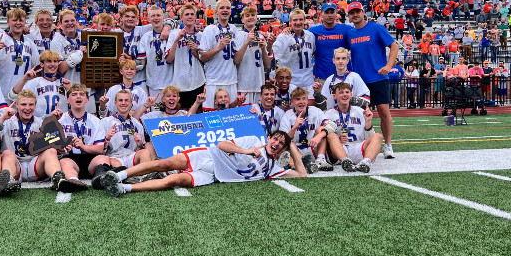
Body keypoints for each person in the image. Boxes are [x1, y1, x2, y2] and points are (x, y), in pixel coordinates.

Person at [99, 130, 306, 197]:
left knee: (175, 180)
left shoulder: (272, 169)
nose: (276, 143)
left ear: (282, 150)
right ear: (269, 138)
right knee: (165, 164)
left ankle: (124, 188)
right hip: (208, 156)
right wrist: (246, 151)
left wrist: (293, 146)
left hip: (213, 176)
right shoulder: (253, 141)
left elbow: (301, 175)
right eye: (275, 139)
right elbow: (223, 144)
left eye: (281, 144)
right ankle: (118, 175)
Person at [346, 2, 397, 158]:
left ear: (363, 12)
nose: (355, 15)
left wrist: (389, 65)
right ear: (349, 16)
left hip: (378, 78)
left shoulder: (376, 28)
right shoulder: (350, 33)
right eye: (352, 12)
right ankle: (363, 144)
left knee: (384, 112)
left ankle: (388, 145)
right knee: (360, 114)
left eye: (357, 11)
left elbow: (394, 46)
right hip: (359, 81)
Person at [0, 90, 67, 190]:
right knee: (7, 153)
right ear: (16, 105)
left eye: (31, 105)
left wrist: (60, 149)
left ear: (35, 106)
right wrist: (1, 119)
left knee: (51, 151)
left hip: (34, 164)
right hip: (14, 165)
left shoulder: (41, 123)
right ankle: (8, 181)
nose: (27, 108)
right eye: (23, 104)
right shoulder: (7, 121)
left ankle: (58, 180)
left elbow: (55, 148)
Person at [57, 84, 110, 191]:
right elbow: (53, 147)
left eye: (82, 94)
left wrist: (83, 147)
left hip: (90, 158)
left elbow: (99, 149)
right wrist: (62, 147)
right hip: (70, 158)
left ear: (87, 99)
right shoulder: (61, 119)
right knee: (64, 162)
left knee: (104, 158)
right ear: (68, 100)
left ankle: (100, 178)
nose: (78, 97)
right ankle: (73, 180)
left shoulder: (95, 121)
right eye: (74, 94)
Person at [325, 82, 383, 173]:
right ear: (334, 96)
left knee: (378, 136)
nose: (344, 94)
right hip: (339, 149)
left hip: (357, 147)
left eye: (347, 92)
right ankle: (345, 161)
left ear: (351, 95)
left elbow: (369, 137)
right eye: (341, 92)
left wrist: (368, 122)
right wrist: (337, 139)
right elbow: (325, 137)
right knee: (331, 136)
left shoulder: (360, 111)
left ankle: (365, 162)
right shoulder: (328, 114)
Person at [0, 8, 39, 96]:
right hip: (3, 93)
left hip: (25, 95)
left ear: (25, 22)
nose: (18, 23)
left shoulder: (30, 42)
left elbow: (37, 68)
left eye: (21, 20)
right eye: (14, 20)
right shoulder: (0, 38)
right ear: (8, 22)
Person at [198, 0, 240, 108]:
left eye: (228, 8)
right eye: (222, 8)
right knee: (211, 118)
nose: (225, 10)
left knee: (231, 117)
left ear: (231, 11)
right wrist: (219, 48)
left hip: (231, 80)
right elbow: (203, 57)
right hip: (213, 81)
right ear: (216, 12)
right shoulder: (209, 29)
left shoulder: (234, 29)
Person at [164, 4, 205, 109]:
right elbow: (169, 59)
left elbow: (204, 60)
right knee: (183, 113)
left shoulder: (201, 35)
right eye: (187, 14)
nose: (190, 16)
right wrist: (177, 39)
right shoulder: (174, 34)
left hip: (198, 80)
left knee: (198, 112)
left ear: (196, 17)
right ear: (181, 17)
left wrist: (196, 49)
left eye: (192, 14)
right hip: (180, 82)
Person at [279, 86, 329, 171]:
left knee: (322, 129)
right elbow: (283, 140)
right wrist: (294, 128)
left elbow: (331, 126)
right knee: (289, 144)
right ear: (292, 102)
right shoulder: (287, 115)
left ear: (307, 100)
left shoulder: (316, 111)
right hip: (295, 151)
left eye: (304, 99)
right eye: (298, 99)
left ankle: (321, 160)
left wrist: (318, 136)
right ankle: (303, 164)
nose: (301, 102)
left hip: (314, 148)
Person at [272, 9, 316, 98]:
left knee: (309, 109)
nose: (298, 22)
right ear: (290, 21)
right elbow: (272, 55)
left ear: (305, 20)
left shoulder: (310, 36)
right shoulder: (283, 37)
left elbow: (314, 53)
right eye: (295, 20)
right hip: (290, 83)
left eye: (300, 19)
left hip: (308, 81)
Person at [233, 7, 270, 105]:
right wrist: (247, 42)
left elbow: (267, 65)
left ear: (257, 18)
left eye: (253, 15)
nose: (250, 17)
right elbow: (236, 60)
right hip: (244, 84)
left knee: (258, 116)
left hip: (259, 84)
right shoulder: (239, 35)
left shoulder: (261, 37)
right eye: (247, 16)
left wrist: (263, 49)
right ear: (242, 20)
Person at [308, 2, 351, 85]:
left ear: (336, 14)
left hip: (344, 77)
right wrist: (288, 30)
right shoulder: (313, 31)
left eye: (332, 12)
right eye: (327, 13)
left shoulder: (346, 29)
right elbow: (299, 34)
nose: (330, 15)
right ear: (321, 14)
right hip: (322, 78)